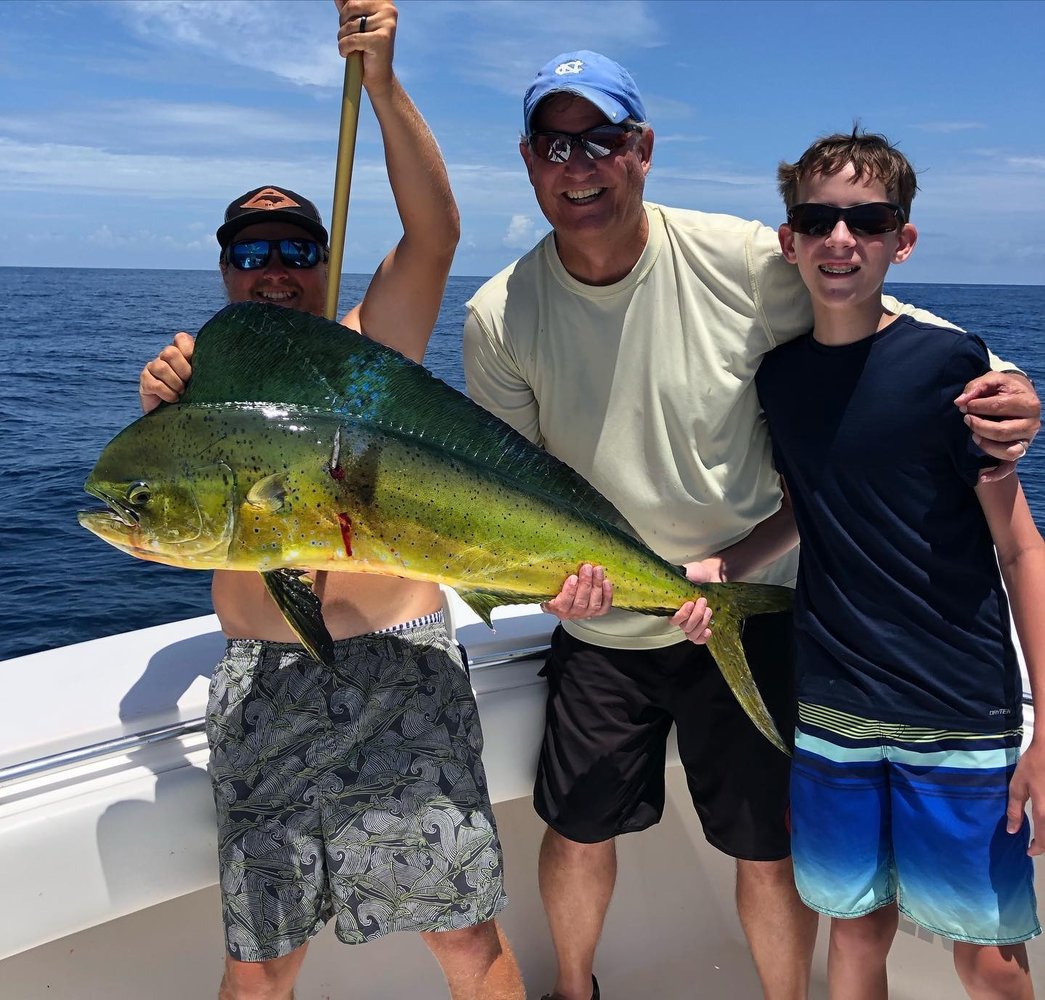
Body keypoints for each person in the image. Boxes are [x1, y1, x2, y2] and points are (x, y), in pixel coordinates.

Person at [462, 51, 1041, 1000]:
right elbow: (513, 489)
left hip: (759, 606)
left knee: (768, 849)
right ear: (529, 161)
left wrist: (1009, 381)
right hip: (605, 618)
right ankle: (575, 992)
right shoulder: (497, 315)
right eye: (556, 145)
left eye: (602, 139)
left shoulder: (737, 257)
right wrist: (545, 577)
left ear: (640, 150)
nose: (580, 164)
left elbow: (873, 317)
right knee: (576, 829)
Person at [138, 4, 523, 999]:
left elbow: (435, 232)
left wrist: (383, 85)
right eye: (253, 252)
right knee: (259, 956)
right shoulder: (197, 383)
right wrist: (158, 422)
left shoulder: (367, 355)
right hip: (262, 682)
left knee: (464, 937)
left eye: (297, 252)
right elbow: (144, 531)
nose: (275, 271)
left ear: (322, 266)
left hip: (397, 672)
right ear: (227, 265)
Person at [682, 128, 1044, 999]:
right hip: (833, 709)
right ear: (789, 240)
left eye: (867, 220)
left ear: (900, 240)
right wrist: (724, 566)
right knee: (851, 934)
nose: (840, 240)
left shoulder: (951, 367)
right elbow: (810, 506)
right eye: (817, 219)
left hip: (959, 709)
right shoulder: (779, 378)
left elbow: (1019, 544)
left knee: (985, 955)